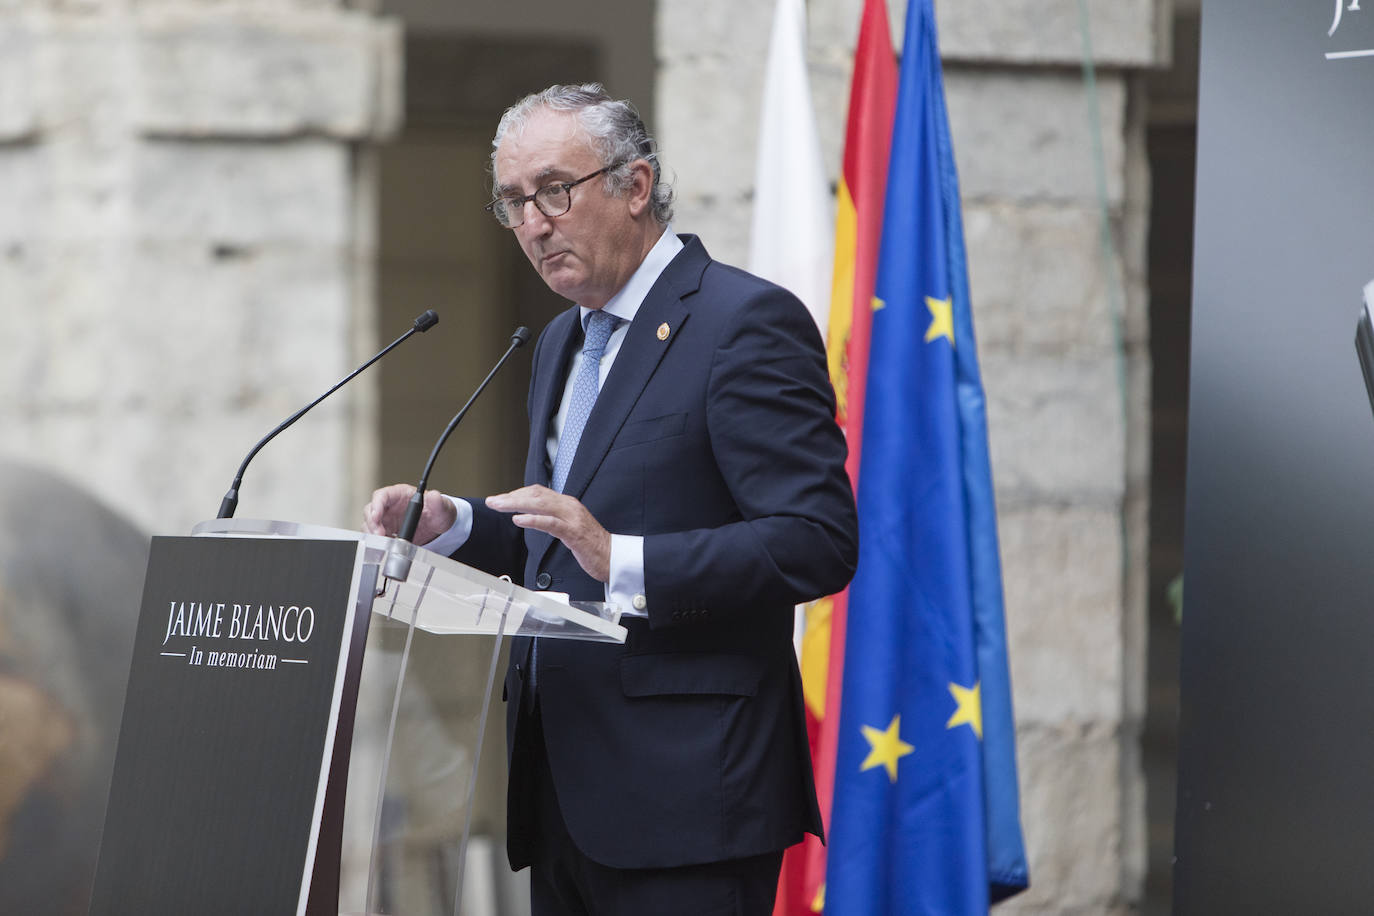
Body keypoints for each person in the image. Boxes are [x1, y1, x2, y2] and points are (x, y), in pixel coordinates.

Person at [364, 83, 857, 916]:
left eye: (556, 190)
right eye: (514, 202)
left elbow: (816, 539)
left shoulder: (743, 323)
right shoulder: (563, 338)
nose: (533, 223)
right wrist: (457, 525)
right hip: (562, 795)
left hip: (691, 806)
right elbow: (563, 532)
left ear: (636, 184)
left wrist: (623, 558)